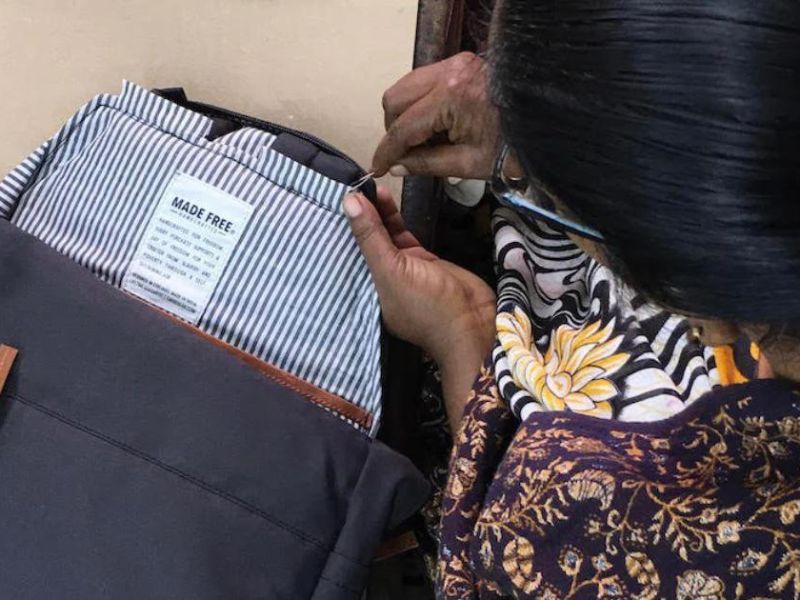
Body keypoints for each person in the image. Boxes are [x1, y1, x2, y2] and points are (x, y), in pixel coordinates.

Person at [344, 1, 800, 598]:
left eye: (557, 206)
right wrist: (558, 111)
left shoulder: (612, 535)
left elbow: (499, 563)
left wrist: (462, 333)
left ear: (700, 311)